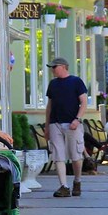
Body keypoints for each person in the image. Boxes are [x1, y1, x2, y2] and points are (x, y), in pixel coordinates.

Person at [44, 57, 88, 197]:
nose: (52, 70)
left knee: (75, 155)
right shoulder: (53, 84)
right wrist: (47, 125)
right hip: (55, 123)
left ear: (63, 66)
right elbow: (49, 105)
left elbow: (84, 102)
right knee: (58, 156)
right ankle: (64, 186)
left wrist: (77, 119)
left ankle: (77, 180)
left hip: (72, 123)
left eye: (54, 67)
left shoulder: (76, 82)